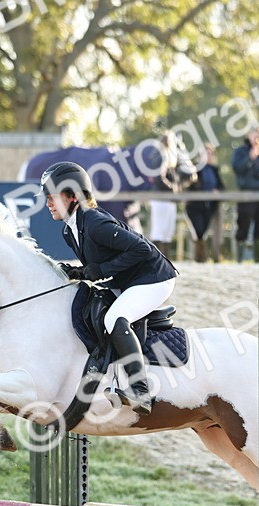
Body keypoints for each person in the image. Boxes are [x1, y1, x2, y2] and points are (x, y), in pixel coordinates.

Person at [41, 161, 177, 415]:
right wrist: (79, 272)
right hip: (131, 281)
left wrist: (100, 271)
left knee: (115, 317)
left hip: (154, 278)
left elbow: (142, 249)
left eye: (53, 196)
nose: (48, 202)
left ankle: (141, 390)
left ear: (73, 197)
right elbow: (100, 262)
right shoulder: (70, 231)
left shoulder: (94, 222)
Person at [146, 131, 197, 256]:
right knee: (159, 232)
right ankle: (155, 261)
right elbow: (159, 178)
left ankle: (165, 261)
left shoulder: (167, 158)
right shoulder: (161, 156)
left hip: (168, 200)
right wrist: (173, 189)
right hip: (161, 198)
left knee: (167, 233)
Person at [232, 126, 259, 262]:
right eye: (255, 136)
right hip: (246, 194)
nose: (257, 139)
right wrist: (249, 158)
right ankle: (239, 259)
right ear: (249, 136)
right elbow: (237, 168)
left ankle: (258, 259)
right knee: (243, 225)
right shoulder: (241, 152)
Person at [186, 144, 224, 262]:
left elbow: (221, 186)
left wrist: (217, 191)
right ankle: (201, 257)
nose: (208, 156)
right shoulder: (194, 169)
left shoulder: (214, 169)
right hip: (195, 205)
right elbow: (189, 186)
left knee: (203, 232)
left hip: (209, 206)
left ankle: (203, 257)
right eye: (205, 153)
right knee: (199, 230)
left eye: (210, 153)